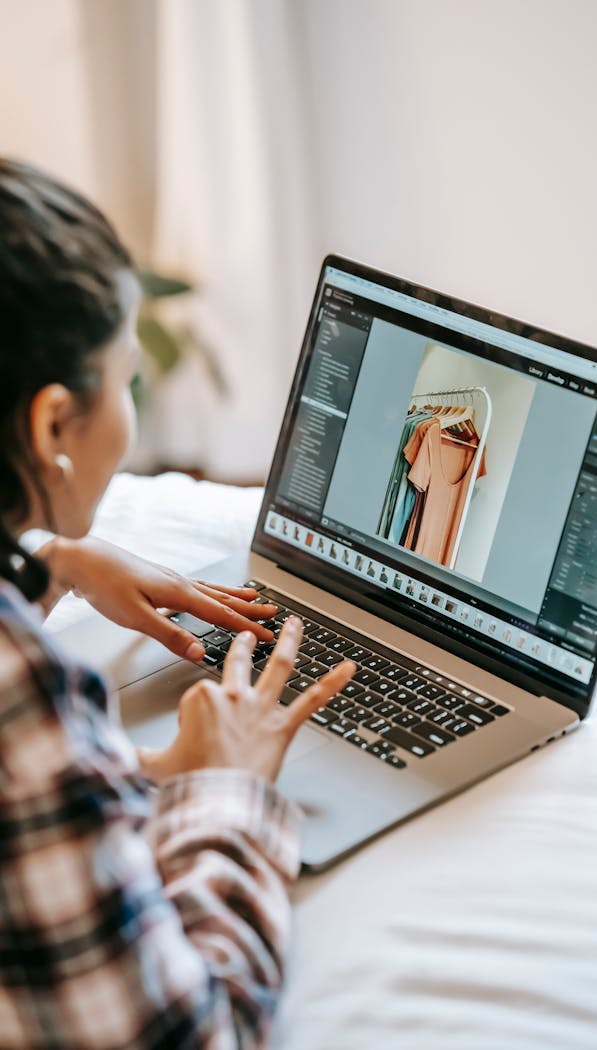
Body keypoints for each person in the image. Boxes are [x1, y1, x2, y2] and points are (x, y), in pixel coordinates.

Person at [0, 158, 356, 1048]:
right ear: (51, 428)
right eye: (123, 377)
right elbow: (190, 1035)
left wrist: (49, 566)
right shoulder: (22, 697)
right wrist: (222, 787)